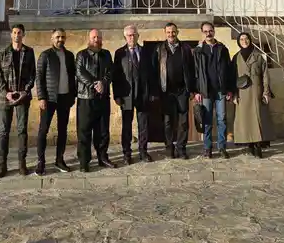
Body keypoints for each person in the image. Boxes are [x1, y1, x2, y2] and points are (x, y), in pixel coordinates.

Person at [0, 24, 36, 178]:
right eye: (14, 32)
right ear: (11, 35)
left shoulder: (29, 52)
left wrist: (25, 91)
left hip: (22, 97)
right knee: (4, 131)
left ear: (23, 35)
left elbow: (32, 74)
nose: (17, 35)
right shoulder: (3, 53)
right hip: (6, 98)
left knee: (22, 130)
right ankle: (2, 164)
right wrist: (6, 93)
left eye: (19, 33)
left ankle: (21, 163)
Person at [34, 28, 77, 176]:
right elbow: (39, 77)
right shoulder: (45, 55)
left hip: (65, 98)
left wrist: (73, 96)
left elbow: (73, 76)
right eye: (57, 37)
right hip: (49, 99)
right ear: (52, 38)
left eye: (63, 37)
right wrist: (41, 97)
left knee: (62, 130)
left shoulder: (70, 55)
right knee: (43, 130)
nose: (60, 39)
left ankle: (59, 160)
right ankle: (41, 162)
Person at [112, 24, 154, 164]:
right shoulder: (120, 53)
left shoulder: (146, 52)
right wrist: (117, 95)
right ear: (125, 37)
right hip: (126, 95)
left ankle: (143, 152)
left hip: (143, 94)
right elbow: (116, 76)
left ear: (138, 36)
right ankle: (127, 154)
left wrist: (151, 92)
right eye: (129, 35)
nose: (132, 37)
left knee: (143, 125)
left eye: (134, 35)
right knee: (126, 126)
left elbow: (152, 74)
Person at [153, 23, 195, 160]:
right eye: (168, 32)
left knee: (183, 122)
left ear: (177, 32)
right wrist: (155, 91)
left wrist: (192, 89)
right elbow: (154, 70)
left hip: (182, 90)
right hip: (166, 91)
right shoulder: (159, 49)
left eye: (173, 32)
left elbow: (191, 69)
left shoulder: (185, 48)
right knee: (168, 122)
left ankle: (181, 148)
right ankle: (169, 148)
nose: (171, 34)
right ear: (165, 33)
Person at [75, 28, 115, 172]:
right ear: (89, 39)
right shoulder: (81, 55)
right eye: (94, 37)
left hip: (102, 98)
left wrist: (103, 83)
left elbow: (111, 71)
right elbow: (80, 72)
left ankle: (102, 157)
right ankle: (84, 161)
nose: (96, 40)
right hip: (86, 98)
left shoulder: (106, 54)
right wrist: (94, 84)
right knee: (84, 131)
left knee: (103, 131)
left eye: (98, 37)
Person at [193, 21, 234, 159]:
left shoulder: (222, 49)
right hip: (206, 91)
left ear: (214, 31)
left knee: (222, 119)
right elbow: (195, 73)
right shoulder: (198, 51)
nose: (208, 33)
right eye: (205, 31)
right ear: (202, 33)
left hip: (221, 90)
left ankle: (222, 147)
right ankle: (207, 147)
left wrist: (229, 89)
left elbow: (229, 70)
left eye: (210, 31)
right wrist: (196, 91)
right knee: (207, 120)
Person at [232, 32, 276, 157]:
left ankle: (258, 145)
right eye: (241, 39)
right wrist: (234, 94)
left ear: (250, 40)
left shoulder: (258, 56)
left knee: (258, 119)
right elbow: (232, 77)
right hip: (242, 93)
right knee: (245, 120)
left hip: (257, 91)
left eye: (246, 38)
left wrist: (266, 92)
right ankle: (250, 144)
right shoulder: (236, 58)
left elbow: (265, 75)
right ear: (238, 42)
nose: (244, 41)